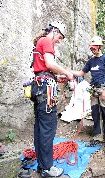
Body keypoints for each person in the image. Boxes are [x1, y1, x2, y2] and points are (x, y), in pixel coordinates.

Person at [31, 21, 73, 177]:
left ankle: (42, 166)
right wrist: (67, 73)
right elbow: (50, 63)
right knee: (48, 128)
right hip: (45, 89)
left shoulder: (39, 42)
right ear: (54, 31)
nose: (59, 41)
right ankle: (47, 168)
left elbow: (43, 68)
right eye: (60, 37)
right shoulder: (47, 40)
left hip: (39, 86)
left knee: (41, 128)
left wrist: (56, 77)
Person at [71, 35, 105, 153]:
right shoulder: (90, 61)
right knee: (95, 114)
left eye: (94, 47)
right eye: (91, 48)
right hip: (94, 91)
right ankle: (97, 137)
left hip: (103, 89)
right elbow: (81, 73)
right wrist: (67, 71)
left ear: (99, 47)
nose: (92, 49)